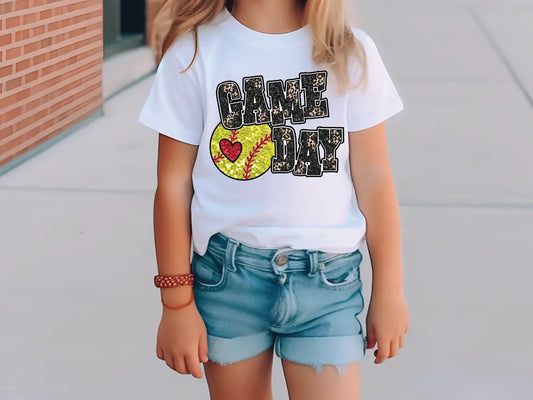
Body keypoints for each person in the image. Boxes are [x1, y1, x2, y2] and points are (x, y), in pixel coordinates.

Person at [137, 0, 409, 398]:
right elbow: (173, 185)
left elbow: (374, 177)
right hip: (228, 281)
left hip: (327, 285)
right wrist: (175, 304)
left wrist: (390, 289)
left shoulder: (349, 51)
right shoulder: (194, 53)